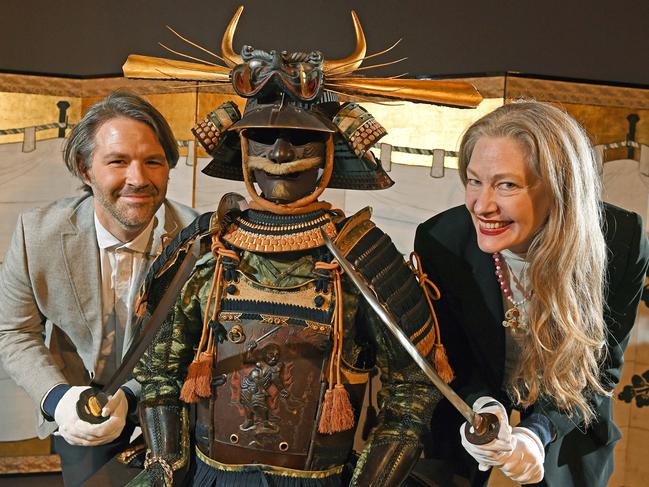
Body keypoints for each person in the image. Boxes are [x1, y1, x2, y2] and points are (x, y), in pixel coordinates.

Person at [120, 7, 488, 486]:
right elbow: (160, 375)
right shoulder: (205, 247)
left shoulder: (365, 259)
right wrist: (166, 468)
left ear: (330, 151)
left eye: (298, 138)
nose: (279, 153)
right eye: (265, 137)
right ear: (243, 146)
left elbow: (412, 390)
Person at [414, 101, 649, 486]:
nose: (482, 205)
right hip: (468, 413)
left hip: (572, 416)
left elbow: (600, 367)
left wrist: (537, 432)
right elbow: (448, 356)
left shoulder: (620, 241)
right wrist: (482, 408)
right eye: (474, 180)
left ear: (561, 186)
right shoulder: (442, 241)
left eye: (507, 184)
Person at [0, 91, 198, 487]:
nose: (138, 179)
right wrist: (59, 400)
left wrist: (134, 394)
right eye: (118, 161)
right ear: (84, 168)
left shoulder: (200, 242)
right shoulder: (36, 234)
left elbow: (202, 343)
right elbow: (14, 331)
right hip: (83, 419)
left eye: (153, 162)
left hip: (181, 415)